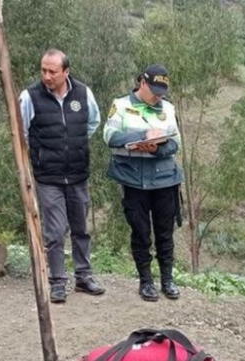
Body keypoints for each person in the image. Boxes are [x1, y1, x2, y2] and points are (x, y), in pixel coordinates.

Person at [19, 49, 104, 303]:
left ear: (66, 72)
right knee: (55, 232)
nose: (46, 76)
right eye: (43, 70)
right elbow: (21, 132)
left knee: (81, 228)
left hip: (78, 173)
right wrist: (43, 153)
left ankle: (84, 276)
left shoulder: (83, 93)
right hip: (49, 177)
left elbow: (93, 122)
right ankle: (57, 281)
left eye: (52, 71)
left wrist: (73, 144)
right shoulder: (29, 97)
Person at [103, 64, 183, 302]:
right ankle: (146, 281)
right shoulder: (121, 105)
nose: (158, 95)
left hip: (164, 179)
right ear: (142, 83)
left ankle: (167, 280)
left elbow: (175, 143)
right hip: (133, 180)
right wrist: (141, 138)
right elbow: (110, 136)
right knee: (140, 232)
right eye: (154, 90)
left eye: (162, 91)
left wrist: (157, 147)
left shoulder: (168, 108)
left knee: (165, 232)